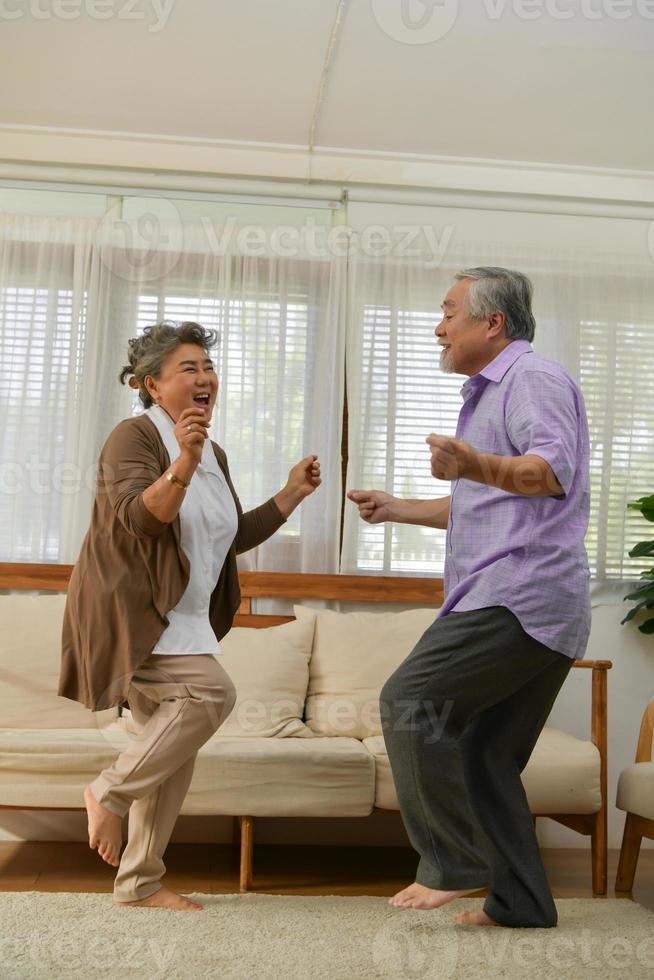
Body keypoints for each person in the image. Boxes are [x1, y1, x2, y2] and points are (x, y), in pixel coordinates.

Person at [348, 267, 591, 929]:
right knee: (484, 756)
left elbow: (545, 474)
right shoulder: (491, 394)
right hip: (543, 606)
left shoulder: (531, 379)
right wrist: (400, 509)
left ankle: (454, 861)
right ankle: (521, 905)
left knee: (409, 700)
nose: (438, 325)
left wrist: (472, 464)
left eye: (449, 311)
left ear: (493, 323)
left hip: (518, 597)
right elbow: (488, 502)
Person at [58, 320, 320, 911]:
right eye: (188, 369)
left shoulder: (211, 451)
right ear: (152, 384)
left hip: (185, 620)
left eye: (208, 368)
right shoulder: (134, 438)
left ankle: (140, 883)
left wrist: (290, 494)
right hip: (133, 614)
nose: (205, 379)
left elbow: (231, 533)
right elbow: (142, 519)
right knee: (209, 697)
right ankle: (109, 790)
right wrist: (182, 459)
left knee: (170, 752)